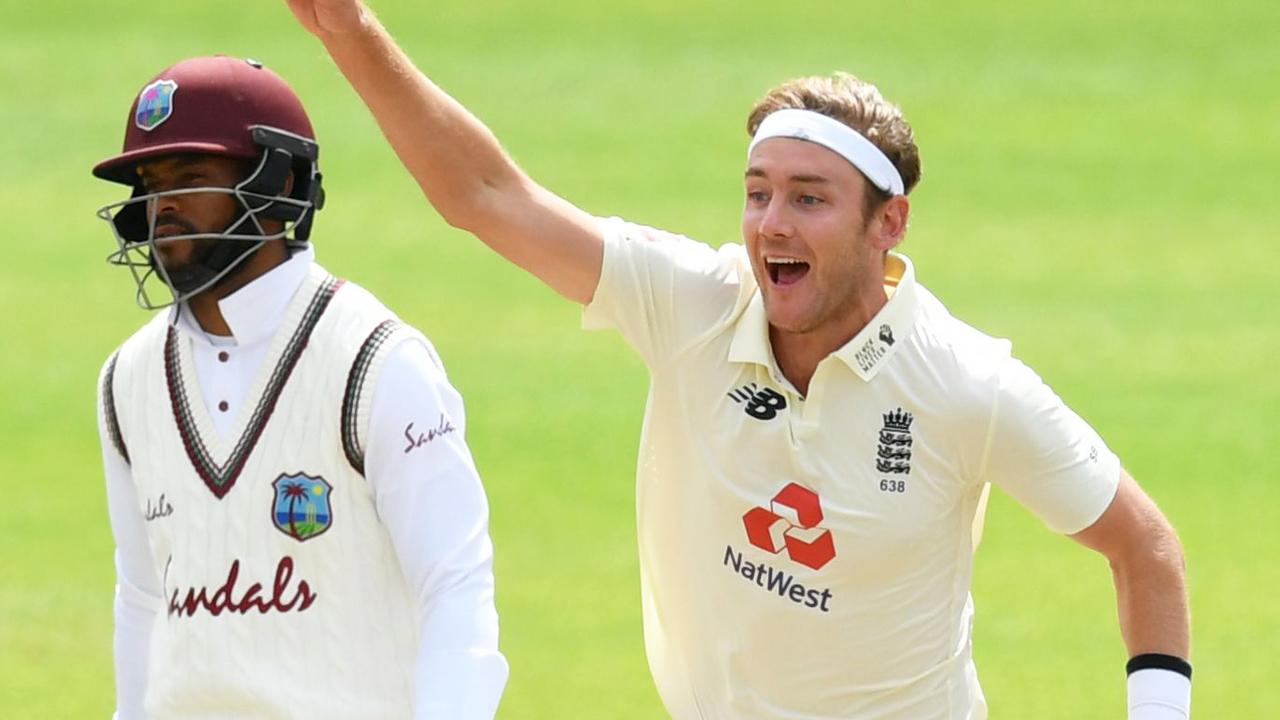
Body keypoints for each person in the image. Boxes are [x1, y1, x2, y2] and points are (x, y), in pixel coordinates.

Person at [284, 2, 1192, 718]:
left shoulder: (967, 385)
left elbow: (1144, 547)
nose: (772, 225)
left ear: (890, 223)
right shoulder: (693, 304)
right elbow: (487, 196)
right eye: (757, 194)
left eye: (810, 197)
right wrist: (349, 29)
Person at [93, 54, 508, 719]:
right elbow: (143, 597)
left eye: (191, 177)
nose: (161, 207)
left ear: (277, 183)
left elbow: (454, 584)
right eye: (150, 183)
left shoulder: (376, 361)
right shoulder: (127, 379)